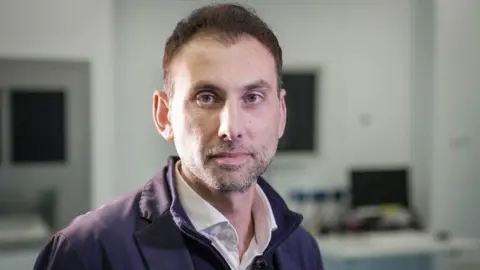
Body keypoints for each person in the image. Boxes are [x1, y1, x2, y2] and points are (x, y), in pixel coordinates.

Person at [34, 3, 323, 270]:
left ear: (281, 113)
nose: (231, 128)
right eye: (207, 97)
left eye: (253, 97)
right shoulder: (88, 252)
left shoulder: (301, 250)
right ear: (164, 115)